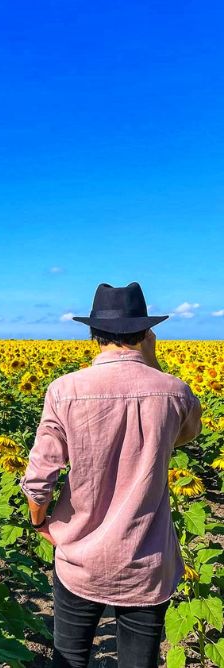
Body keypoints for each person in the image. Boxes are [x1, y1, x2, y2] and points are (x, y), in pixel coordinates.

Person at [19, 282, 203, 668]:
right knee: (139, 662)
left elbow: (40, 477)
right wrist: (151, 366)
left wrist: (40, 523)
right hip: (145, 559)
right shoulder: (175, 392)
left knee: (69, 657)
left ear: (93, 334)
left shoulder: (64, 390)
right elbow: (184, 437)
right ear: (147, 333)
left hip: (79, 556)